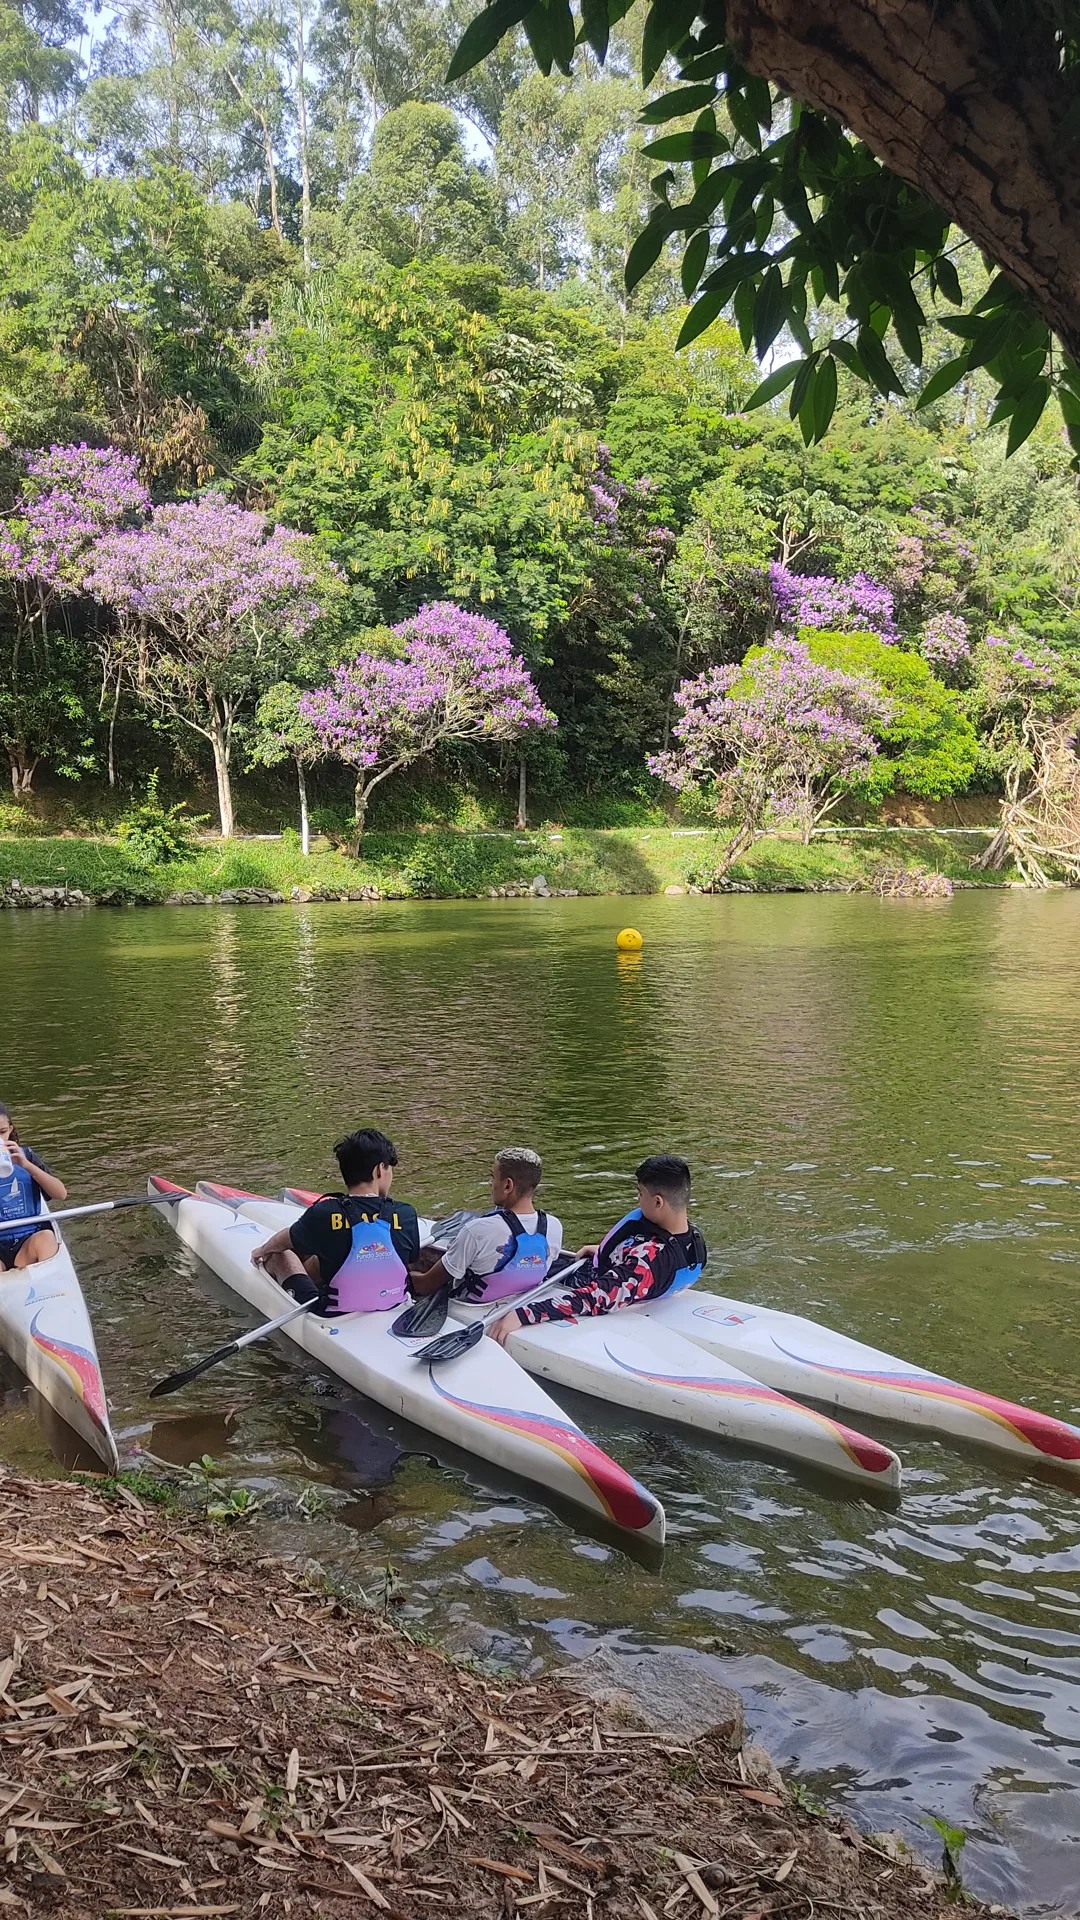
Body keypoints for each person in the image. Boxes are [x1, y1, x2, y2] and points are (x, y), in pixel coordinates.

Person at [488, 1153, 706, 1345]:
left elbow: (593, 1298)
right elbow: (646, 1259)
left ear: (658, 1202)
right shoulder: (695, 1240)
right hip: (626, 1279)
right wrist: (610, 1252)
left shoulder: (647, 1261)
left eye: (640, 1193)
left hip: (577, 1286)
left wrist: (522, 1315)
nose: (638, 1199)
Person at [250, 1128, 420, 1316]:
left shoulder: (324, 1212)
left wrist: (263, 1250)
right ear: (380, 1169)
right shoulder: (406, 1213)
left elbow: (286, 1238)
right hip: (395, 1305)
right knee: (327, 1253)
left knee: (282, 1254)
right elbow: (411, 1258)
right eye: (390, 1169)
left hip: (334, 1314)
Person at [410, 1147, 563, 1303]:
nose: (491, 1183)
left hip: (474, 1308)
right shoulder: (554, 1226)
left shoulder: (477, 1230)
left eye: (493, 1177)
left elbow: (426, 1285)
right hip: (523, 1301)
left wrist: (402, 1275)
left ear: (507, 1185)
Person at [0, 1101, 68, 1271]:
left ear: (10, 1129)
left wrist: (26, 1166)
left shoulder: (27, 1158)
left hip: (28, 1243)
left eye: (2, 1132)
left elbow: (61, 1194)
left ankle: (47, 1289)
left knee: (46, 1237)